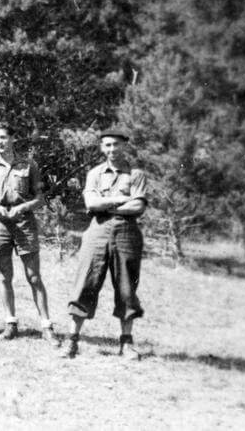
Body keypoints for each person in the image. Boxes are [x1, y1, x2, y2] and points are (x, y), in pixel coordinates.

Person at [60, 129, 148, 360]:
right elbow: (90, 202)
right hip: (97, 231)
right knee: (85, 282)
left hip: (127, 232)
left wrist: (105, 205)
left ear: (125, 146)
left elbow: (138, 207)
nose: (112, 149)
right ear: (101, 148)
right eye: (107, 145)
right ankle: (72, 341)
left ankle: (126, 343)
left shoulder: (136, 174)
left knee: (127, 288)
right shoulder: (95, 174)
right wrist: (120, 200)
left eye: (116, 145)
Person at [0, 122, 58, 347]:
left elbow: (40, 198)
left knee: (34, 277)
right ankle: (10, 324)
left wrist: (22, 208)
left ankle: (46, 326)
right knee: (4, 276)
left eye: (2, 137)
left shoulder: (28, 165)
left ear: (12, 138)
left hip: (24, 223)